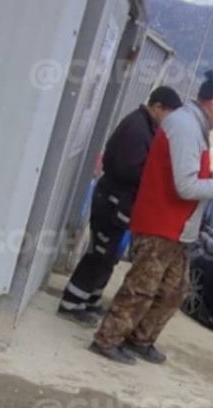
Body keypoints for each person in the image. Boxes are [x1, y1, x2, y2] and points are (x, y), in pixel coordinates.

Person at [90, 70, 213, 364]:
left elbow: (189, 175)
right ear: (212, 103)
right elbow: (185, 186)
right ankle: (107, 339)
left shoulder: (194, 127)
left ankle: (140, 338)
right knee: (142, 287)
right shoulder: (184, 127)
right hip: (161, 224)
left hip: (178, 228)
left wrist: (211, 182)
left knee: (174, 291)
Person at [58, 86, 184, 326]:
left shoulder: (147, 128)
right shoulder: (137, 129)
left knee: (109, 256)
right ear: (157, 107)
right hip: (112, 200)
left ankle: (90, 300)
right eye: (169, 115)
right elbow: (128, 169)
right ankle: (72, 303)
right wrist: (153, 178)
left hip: (121, 202)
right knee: (99, 253)